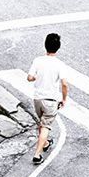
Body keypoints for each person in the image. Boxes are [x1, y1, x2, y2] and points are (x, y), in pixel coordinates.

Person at [27, 32, 68, 165]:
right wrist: (64, 99)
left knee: (42, 122)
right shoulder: (59, 64)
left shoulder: (38, 60)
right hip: (50, 100)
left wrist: (36, 77)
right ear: (58, 47)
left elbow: (29, 77)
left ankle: (45, 143)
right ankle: (37, 155)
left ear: (45, 45)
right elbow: (64, 84)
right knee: (45, 126)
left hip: (37, 99)